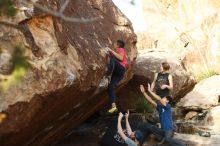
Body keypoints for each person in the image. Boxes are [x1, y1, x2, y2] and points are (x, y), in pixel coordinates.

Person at [107, 40, 128, 113]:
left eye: (115, 43)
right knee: (110, 87)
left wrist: (111, 51)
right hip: (118, 74)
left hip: (121, 69)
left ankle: (108, 75)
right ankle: (113, 106)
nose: (114, 44)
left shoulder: (121, 49)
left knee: (112, 60)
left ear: (118, 45)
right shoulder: (117, 51)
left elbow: (121, 58)